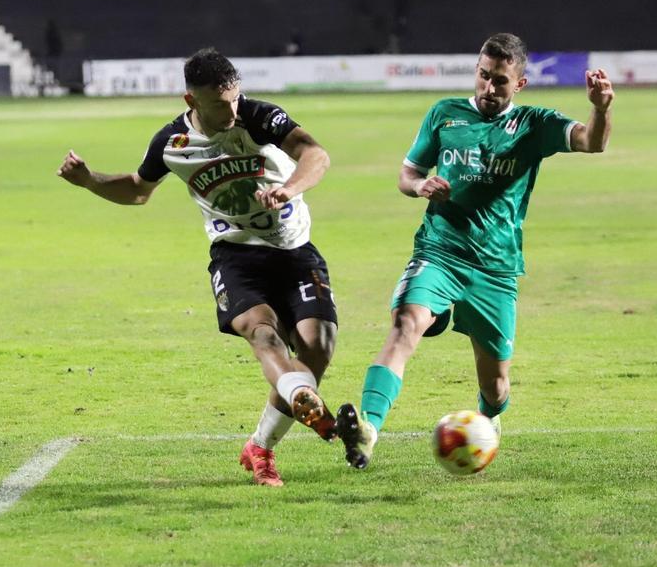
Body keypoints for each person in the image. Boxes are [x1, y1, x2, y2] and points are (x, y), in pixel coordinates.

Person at [56, 48, 340, 486]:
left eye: (234, 99)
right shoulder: (172, 143)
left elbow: (315, 154)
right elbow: (138, 190)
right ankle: (296, 404)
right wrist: (90, 181)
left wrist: (288, 188)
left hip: (295, 250)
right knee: (263, 335)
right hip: (236, 255)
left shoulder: (260, 117)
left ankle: (261, 442)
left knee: (317, 347)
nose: (232, 110)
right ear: (191, 101)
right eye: (219, 104)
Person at [334, 33, 613, 469]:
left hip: (496, 269)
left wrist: (600, 108)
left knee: (497, 385)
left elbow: (591, 142)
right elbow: (407, 174)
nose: (488, 87)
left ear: (519, 84)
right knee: (404, 326)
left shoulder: (534, 125)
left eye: (500, 81)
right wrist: (420, 186)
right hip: (439, 252)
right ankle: (367, 430)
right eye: (483, 75)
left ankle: (488, 420)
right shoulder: (445, 114)